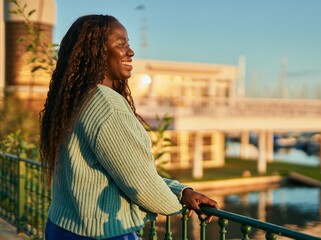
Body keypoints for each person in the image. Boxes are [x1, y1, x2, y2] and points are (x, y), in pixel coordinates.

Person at [40, 14, 219, 240]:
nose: (130, 52)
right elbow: (141, 185)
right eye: (121, 44)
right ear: (97, 51)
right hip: (101, 232)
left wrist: (181, 191)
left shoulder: (74, 99)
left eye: (129, 44)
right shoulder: (106, 104)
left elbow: (123, 171)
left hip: (61, 227)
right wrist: (177, 204)